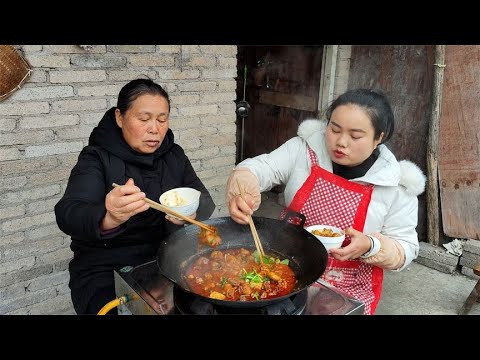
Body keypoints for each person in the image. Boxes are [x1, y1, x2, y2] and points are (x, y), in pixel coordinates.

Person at [225, 88, 426, 315]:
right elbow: (260, 168)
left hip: (347, 289)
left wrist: (371, 246)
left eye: (356, 136)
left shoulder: (396, 185)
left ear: (378, 138)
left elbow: (406, 249)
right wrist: (244, 185)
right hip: (287, 266)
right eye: (334, 129)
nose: (341, 142)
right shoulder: (304, 149)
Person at [55, 78, 215, 315]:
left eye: (162, 119)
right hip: (105, 267)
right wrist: (109, 216)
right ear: (120, 117)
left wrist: (188, 215)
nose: (155, 129)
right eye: (144, 119)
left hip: (166, 259)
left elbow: (204, 200)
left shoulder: (174, 154)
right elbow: (68, 213)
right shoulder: (96, 157)